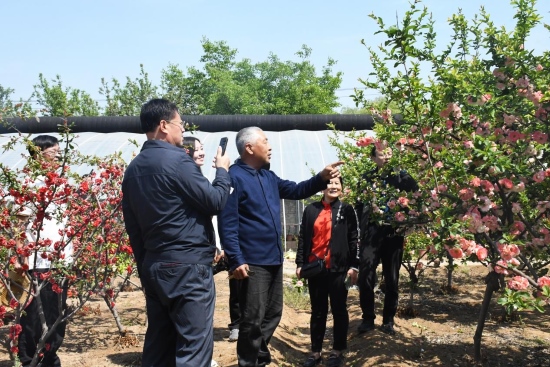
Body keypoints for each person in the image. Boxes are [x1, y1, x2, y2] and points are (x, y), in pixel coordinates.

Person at [218, 126, 343, 367]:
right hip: (252, 261)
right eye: (265, 141)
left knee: (273, 314)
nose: (270, 146)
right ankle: (250, 362)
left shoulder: (268, 177)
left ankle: (259, 357)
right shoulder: (234, 178)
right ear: (249, 147)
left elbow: (297, 190)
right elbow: (228, 223)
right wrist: (236, 259)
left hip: (273, 259)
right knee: (253, 318)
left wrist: (321, 178)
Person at [122, 98, 231, 367]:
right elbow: (215, 201)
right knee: (193, 348)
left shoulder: (133, 170)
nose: (183, 131)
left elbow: (133, 227)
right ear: (163, 126)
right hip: (187, 268)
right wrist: (222, 171)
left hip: (155, 267)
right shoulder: (178, 162)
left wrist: (145, 268)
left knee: (159, 347)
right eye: (179, 125)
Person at [15, 135, 71, 367]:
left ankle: (49, 358)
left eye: (59, 150)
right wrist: (20, 257)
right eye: (53, 151)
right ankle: (29, 360)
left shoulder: (60, 182)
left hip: (60, 261)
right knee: (36, 318)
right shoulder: (30, 184)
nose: (58, 154)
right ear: (38, 153)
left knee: (57, 315)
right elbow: (19, 225)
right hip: (39, 261)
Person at [296, 177, 359, 367]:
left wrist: (354, 266)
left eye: (337, 183)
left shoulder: (347, 210)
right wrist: (300, 263)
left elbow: (355, 240)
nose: (333, 186)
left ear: (342, 187)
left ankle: (337, 351)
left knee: (339, 310)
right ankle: (315, 352)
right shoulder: (311, 209)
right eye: (329, 183)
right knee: (318, 311)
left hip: (339, 269)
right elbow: (303, 239)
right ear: (322, 187)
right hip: (315, 269)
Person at [356, 145, 418, 336]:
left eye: (390, 153)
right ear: (373, 158)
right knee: (365, 274)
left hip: (393, 233)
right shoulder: (367, 179)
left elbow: (417, 198)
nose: (387, 157)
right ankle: (368, 318)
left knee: (392, 278)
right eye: (383, 154)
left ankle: (388, 320)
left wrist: (406, 220)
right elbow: (358, 204)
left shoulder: (403, 178)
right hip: (371, 233)